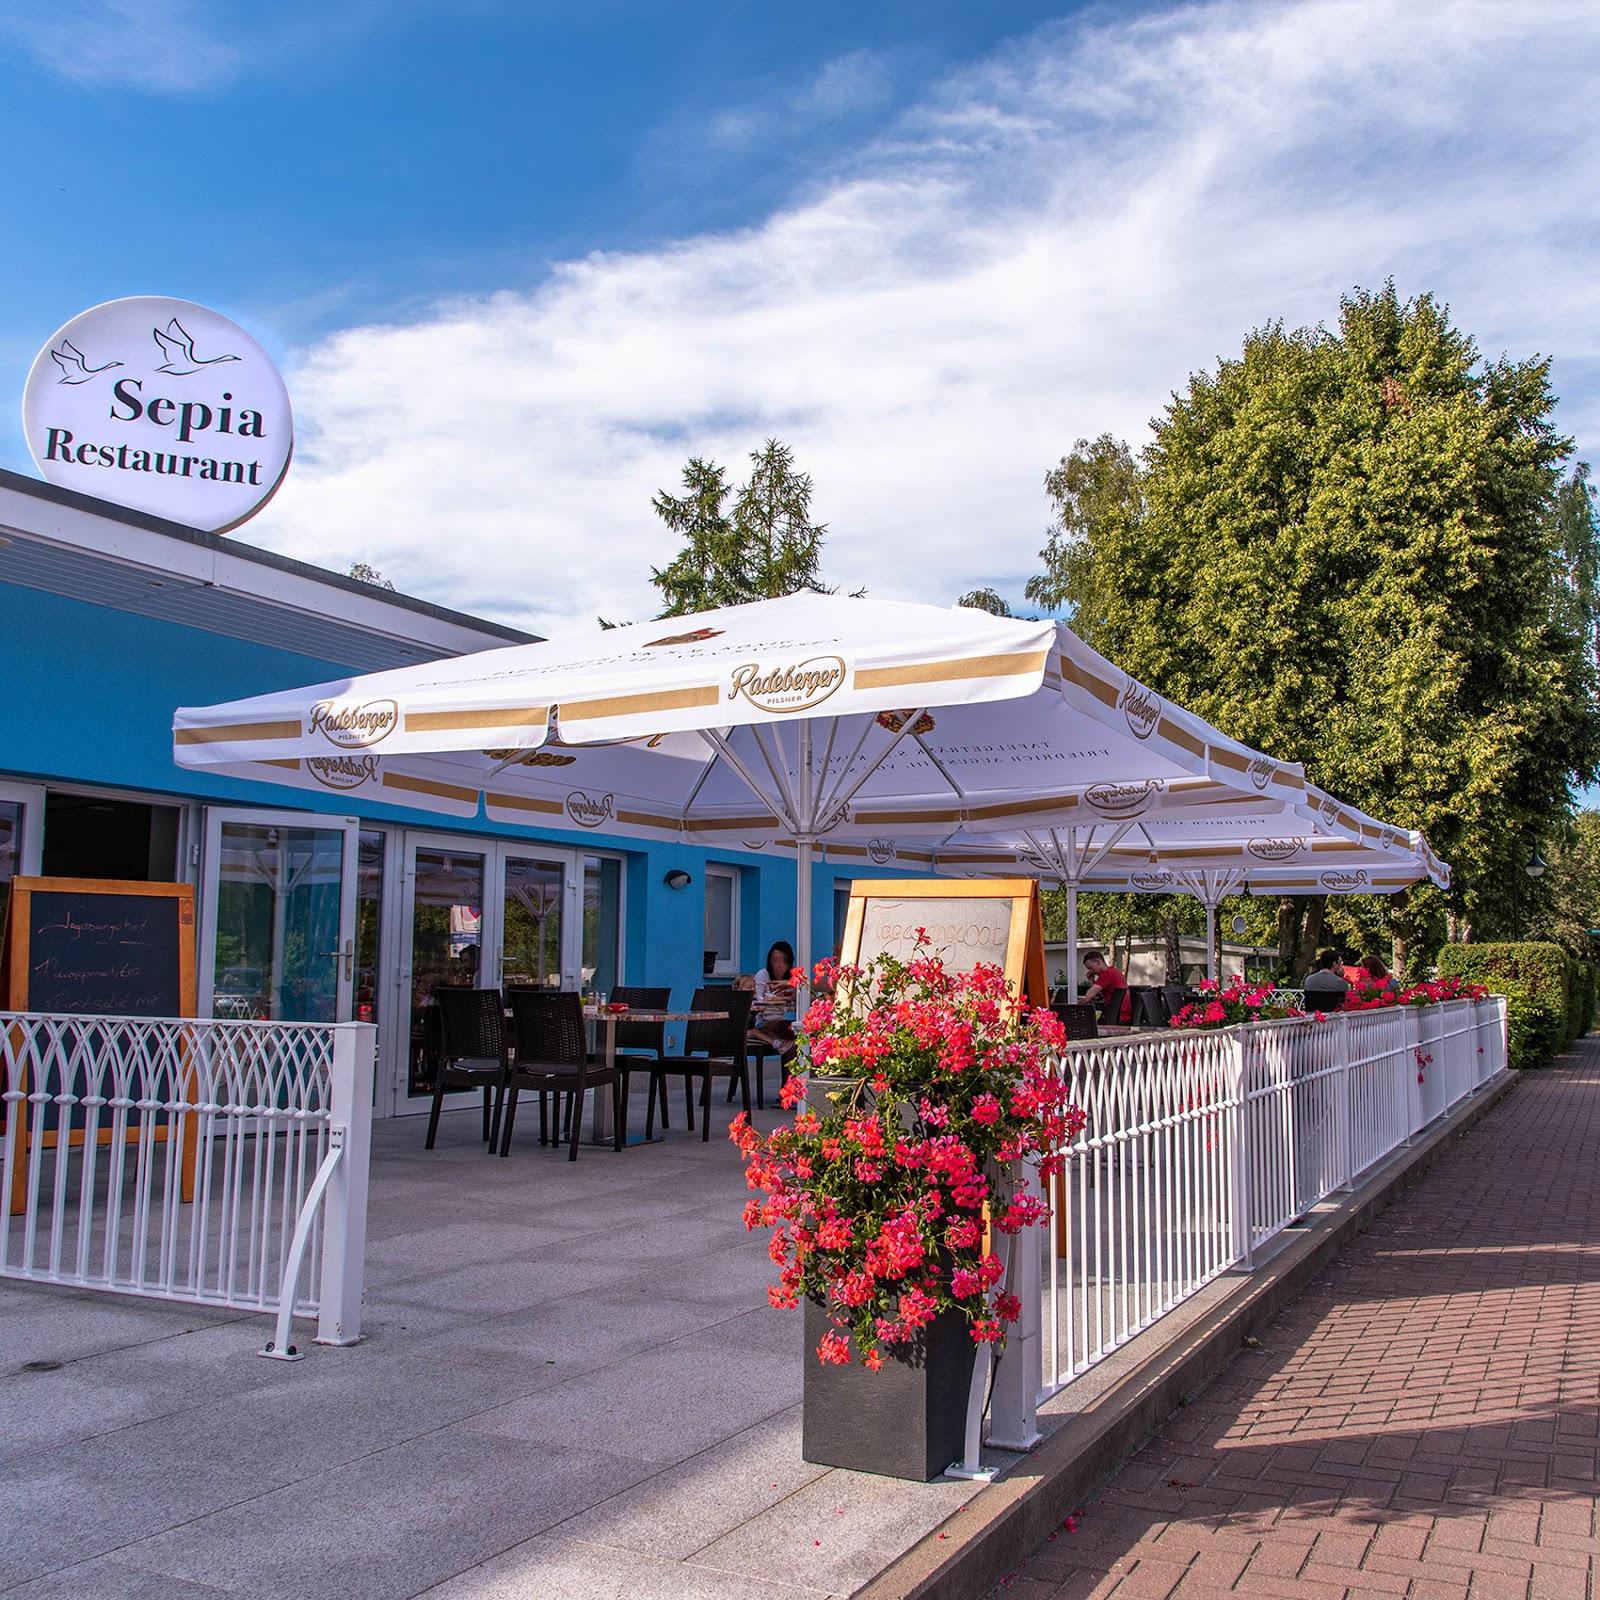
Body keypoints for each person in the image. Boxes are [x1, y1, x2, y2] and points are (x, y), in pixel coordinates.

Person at [752, 940, 798, 1056]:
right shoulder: (763, 975)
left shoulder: (792, 979)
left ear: (789, 962)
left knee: (799, 1030)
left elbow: (799, 997)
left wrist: (788, 998)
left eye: (783, 961)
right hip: (762, 1021)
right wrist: (772, 999)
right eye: (775, 961)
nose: (778, 965)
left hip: (780, 1020)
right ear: (770, 961)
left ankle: (793, 1070)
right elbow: (758, 1000)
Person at [1082, 950, 1131, 1024]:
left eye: (1090, 968)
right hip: (1122, 1015)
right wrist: (1091, 980)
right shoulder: (1114, 971)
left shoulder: (1107, 974)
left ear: (1098, 962)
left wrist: (1077, 1002)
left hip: (1116, 1017)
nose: (1090, 971)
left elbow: (1088, 996)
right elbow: (1101, 995)